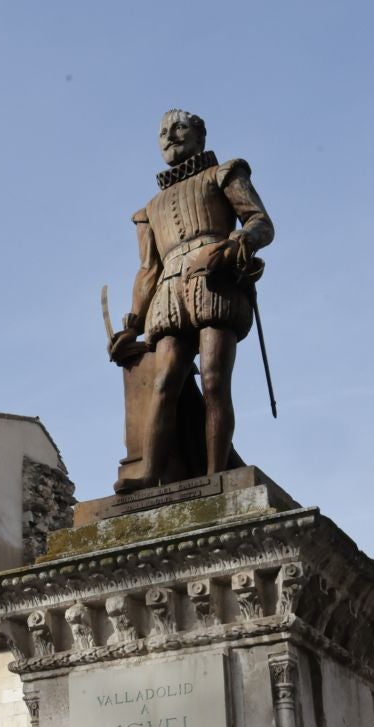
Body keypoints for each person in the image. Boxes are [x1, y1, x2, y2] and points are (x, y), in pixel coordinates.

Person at [108, 108, 274, 491]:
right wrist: (132, 323)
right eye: (163, 132)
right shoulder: (148, 210)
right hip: (168, 289)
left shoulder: (225, 173)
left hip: (214, 277)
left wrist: (238, 242)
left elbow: (260, 222)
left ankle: (217, 473)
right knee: (165, 382)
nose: (169, 136)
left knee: (215, 380)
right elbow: (148, 269)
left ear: (200, 136)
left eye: (179, 128)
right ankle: (151, 472)